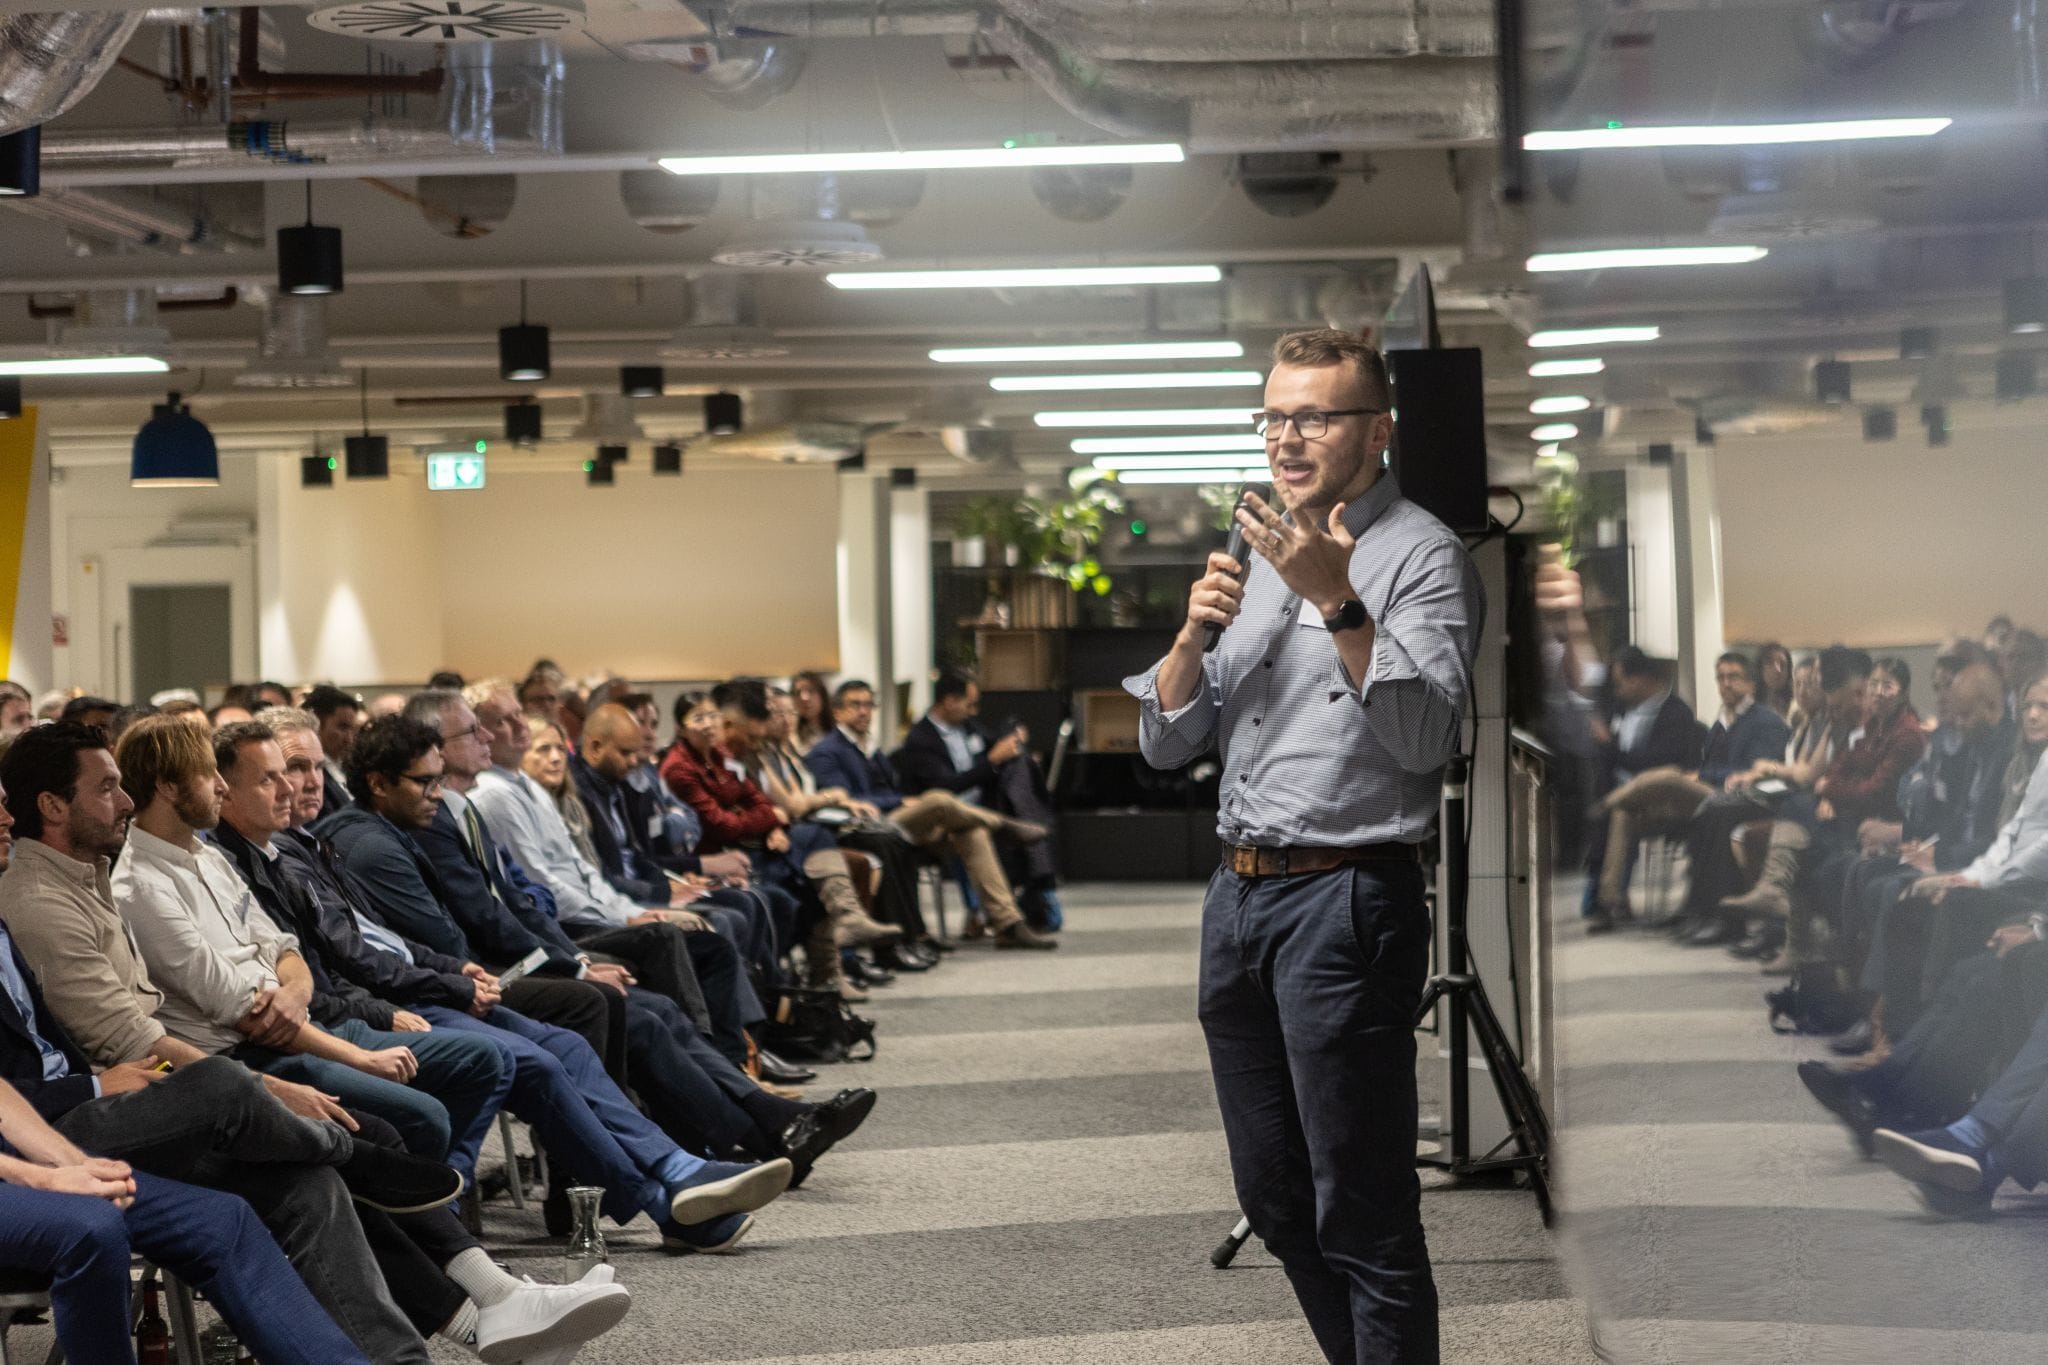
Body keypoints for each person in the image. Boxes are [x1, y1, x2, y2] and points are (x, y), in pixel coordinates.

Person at [1124, 326, 1483, 1365]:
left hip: (1346, 899)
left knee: (1360, 1207)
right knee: (1275, 1197)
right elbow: (1164, 742)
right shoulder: (1257, 541)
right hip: (1235, 903)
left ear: (1376, 430)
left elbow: (1427, 740)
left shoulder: (1419, 555)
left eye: (1313, 415)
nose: (1287, 436)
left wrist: (1336, 598)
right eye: (1274, 415)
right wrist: (1190, 640)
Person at [254, 704, 798, 1254]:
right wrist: (450, 980)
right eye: (285, 771)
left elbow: (413, 933)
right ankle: (665, 1199)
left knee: (573, 1036)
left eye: (313, 767)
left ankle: (676, 1166)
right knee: (554, 1039)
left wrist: (453, 971)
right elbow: (352, 963)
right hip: (384, 1007)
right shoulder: (338, 845)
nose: (304, 783)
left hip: (423, 985)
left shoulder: (305, 845)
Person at [809, 679, 1058, 954]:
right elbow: (847, 799)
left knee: (972, 832)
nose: (864, 711)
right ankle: (1004, 825)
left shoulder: (869, 746)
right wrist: (899, 800)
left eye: (868, 704)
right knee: (938, 799)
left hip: (901, 824)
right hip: (867, 828)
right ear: (837, 712)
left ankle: (1009, 924)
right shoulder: (827, 752)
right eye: (855, 705)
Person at [1583, 651, 1789, 930]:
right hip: (1705, 795)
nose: (1725, 684)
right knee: (1626, 811)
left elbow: (1754, 771)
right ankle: (1609, 902)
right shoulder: (1722, 723)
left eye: (1734, 677)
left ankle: (1603, 804)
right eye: (1720, 677)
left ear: (1751, 684)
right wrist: (1701, 773)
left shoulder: (1764, 721)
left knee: (1670, 775)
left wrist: (1701, 774)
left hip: (1735, 798)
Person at [896, 671, 1065, 928]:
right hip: (941, 818)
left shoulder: (967, 726)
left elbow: (992, 745)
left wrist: (1011, 743)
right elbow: (946, 788)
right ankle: (1004, 905)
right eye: (970, 704)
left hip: (980, 805)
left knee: (1019, 768)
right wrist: (992, 761)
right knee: (975, 829)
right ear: (950, 701)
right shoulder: (920, 740)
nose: (974, 711)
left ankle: (1018, 902)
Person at [305, 684, 364, 819]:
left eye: (353, 730)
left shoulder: (350, 768)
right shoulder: (309, 776)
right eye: (343, 728)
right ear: (317, 724)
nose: (349, 738)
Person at [790, 671, 833, 751]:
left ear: (822, 695)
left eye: (811, 690)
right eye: (798, 693)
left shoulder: (838, 728)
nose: (804, 698)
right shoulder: (791, 735)